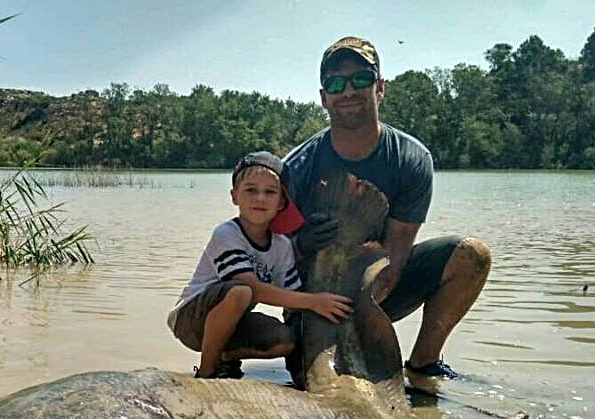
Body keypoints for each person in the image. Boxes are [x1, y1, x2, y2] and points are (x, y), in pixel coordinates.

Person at [283, 36, 492, 379]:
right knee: (314, 378)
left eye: (361, 79)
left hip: (376, 290)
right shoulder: (296, 168)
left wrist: (364, 313)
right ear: (323, 98)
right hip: (312, 301)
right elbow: (269, 259)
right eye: (335, 84)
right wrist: (300, 245)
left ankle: (423, 365)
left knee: (472, 255)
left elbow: (396, 253)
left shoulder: (411, 159)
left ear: (380, 88)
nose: (348, 91)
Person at [167, 152, 353, 379]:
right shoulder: (227, 234)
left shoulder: (282, 245)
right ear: (234, 196)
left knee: (285, 340)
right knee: (241, 291)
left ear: (281, 202)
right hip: (191, 321)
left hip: (233, 322)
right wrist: (315, 302)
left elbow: (293, 298)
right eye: (251, 190)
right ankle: (207, 371)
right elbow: (254, 289)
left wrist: (332, 308)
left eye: (270, 192)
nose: (260, 199)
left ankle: (225, 358)